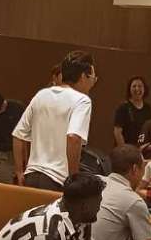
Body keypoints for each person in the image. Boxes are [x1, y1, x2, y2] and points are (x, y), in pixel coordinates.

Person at [14, 51, 97, 191]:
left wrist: (19, 171)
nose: (93, 83)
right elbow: (73, 138)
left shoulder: (42, 95)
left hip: (31, 176)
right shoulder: (82, 100)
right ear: (83, 76)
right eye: (93, 78)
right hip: (57, 180)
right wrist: (74, 180)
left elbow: (18, 134)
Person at [112, 76, 151, 149]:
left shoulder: (147, 108)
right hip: (127, 150)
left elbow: (150, 129)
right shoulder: (123, 107)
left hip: (142, 149)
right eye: (134, 86)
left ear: (144, 89)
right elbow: (117, 132)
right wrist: (124, 150)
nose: (137, 89)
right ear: (129, 89)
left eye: (140, 86)